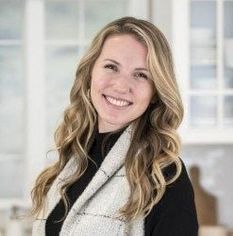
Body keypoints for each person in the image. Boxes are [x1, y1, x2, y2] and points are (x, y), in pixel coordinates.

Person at [31, 16, 198, 235]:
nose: (121, 85)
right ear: (90, 73)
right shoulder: (72, 162)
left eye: (140, 75)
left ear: (155, 92)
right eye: (111, 67)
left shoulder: (163, 175)